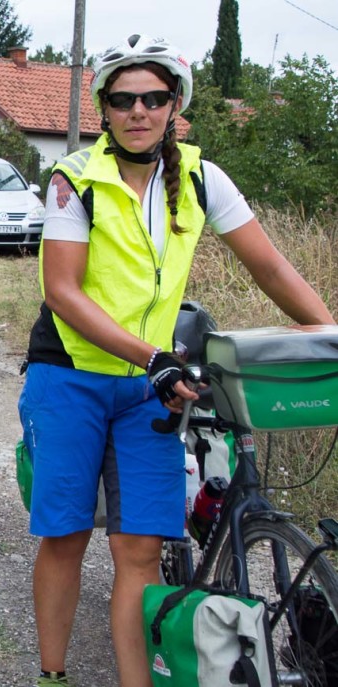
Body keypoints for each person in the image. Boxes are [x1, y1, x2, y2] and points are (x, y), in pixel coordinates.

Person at [17, 34, 335, 687]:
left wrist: (329, 331)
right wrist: (152, 356)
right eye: (124, 99)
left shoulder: (199, 178)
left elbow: (269, 264)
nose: (139, 110)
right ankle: (52, 673)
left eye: (154, 97)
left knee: (137, 546)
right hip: (69, 377)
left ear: (174, 105)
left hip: (148, 389)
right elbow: (63, 290)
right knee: (68, 534)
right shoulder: (75, 178)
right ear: (104, 108)